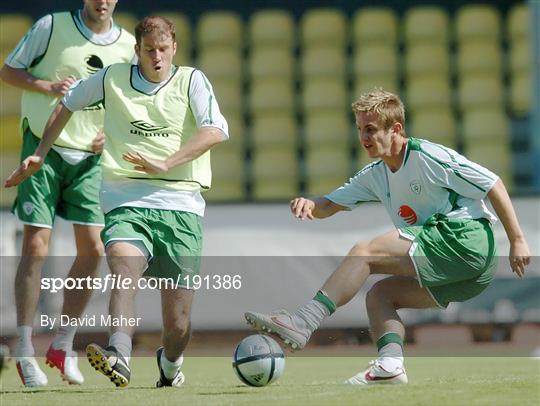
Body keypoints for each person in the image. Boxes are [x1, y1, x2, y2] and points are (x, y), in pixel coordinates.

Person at [245, 89, 531, 385]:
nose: (363, 138)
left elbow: (492, 182)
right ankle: (390, 366)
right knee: (381, 296)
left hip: (466, 239)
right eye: (359, 130)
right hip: (470, 276)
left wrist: (517, 239)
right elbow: (329, 204)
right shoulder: (375, 174)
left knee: (365, 252)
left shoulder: (429, 156)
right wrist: (310, 204)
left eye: (370, 129)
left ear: (395, 129)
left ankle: (303, 322)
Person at [5, 15, 228, 389]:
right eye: (149, 50)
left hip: (181, 203)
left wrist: (167, 163)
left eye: (163, 49)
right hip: (127, 197)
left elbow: (215, 130)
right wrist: (41, 152)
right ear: (136, 51)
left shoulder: (193, 80)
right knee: (124, 267)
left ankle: (170, 364)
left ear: (174, 47)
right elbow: (68, 103)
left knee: (177, 324)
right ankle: (119, 354)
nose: (157, 57)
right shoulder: (112, 78)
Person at [0, 0, 135, 387]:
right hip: (42, 149)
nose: (102, 1)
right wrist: (44, 86)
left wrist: (112, 132)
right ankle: (25, 347)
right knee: (36, 246)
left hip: (90, 159)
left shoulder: (126, 44)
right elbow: (8, 71)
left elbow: (126, 102)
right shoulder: (50, 26)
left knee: (93, 249)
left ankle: (63, 343)